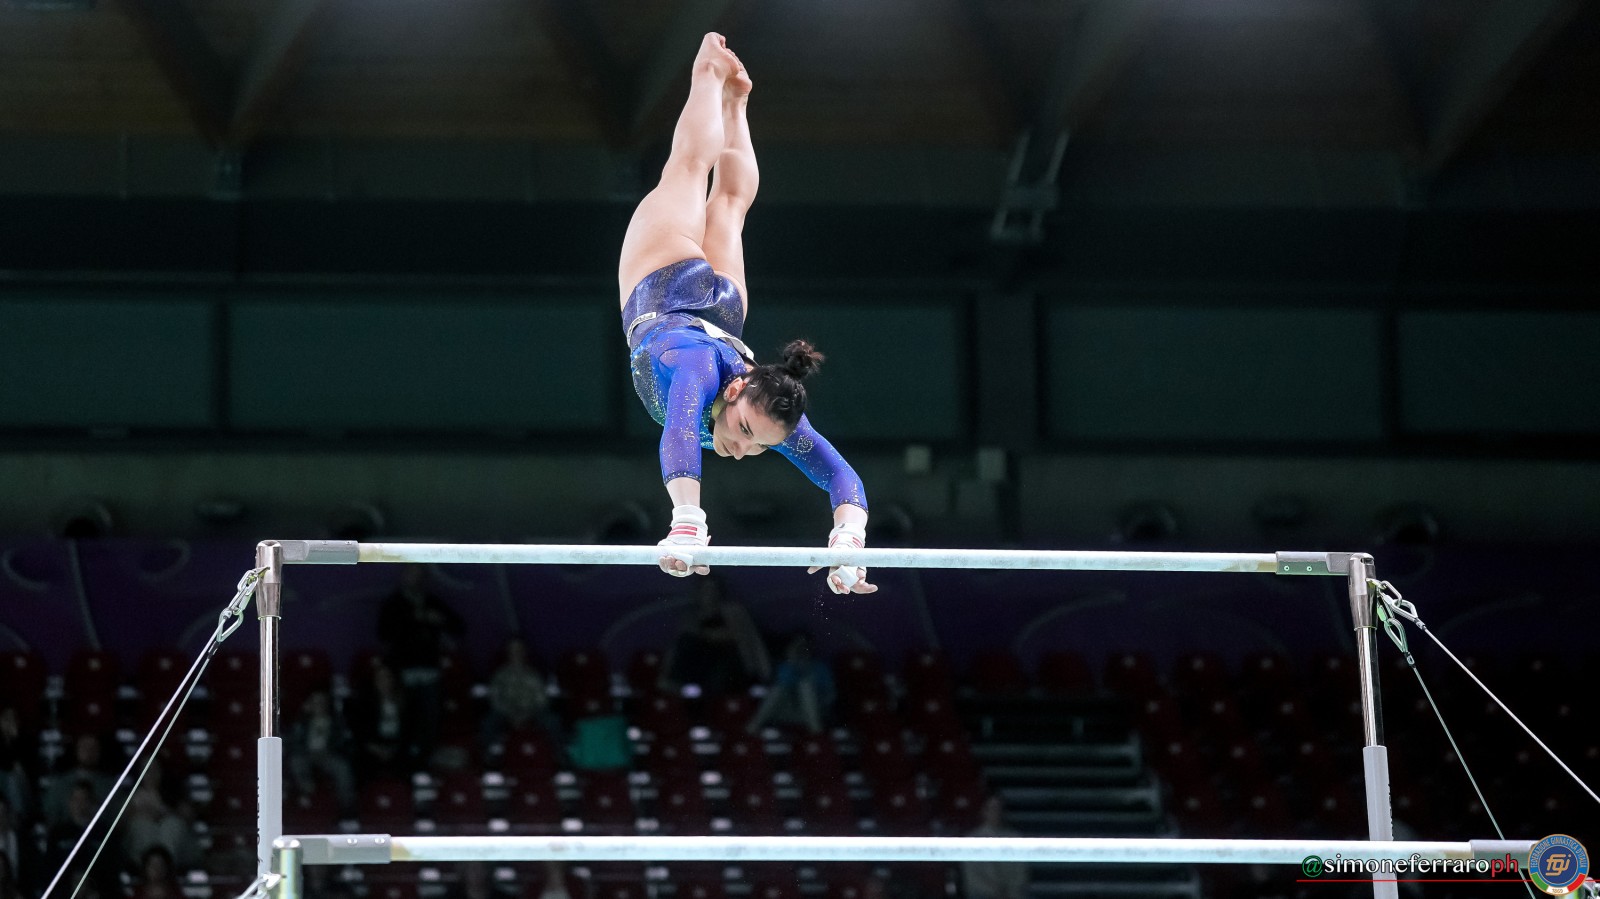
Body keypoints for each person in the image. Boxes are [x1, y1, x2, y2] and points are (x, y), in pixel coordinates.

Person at [618, 32, 876, 596]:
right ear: (736, 389)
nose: (743, 450)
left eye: (759, 445)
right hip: (663, 285)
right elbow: (680, 429)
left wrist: (848, 543)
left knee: (732, 206)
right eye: (744, 433)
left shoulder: (767, 409)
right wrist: (687, 525)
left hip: (722, 313)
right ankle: (708, 72)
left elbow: (842, 476)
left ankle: (736, 104)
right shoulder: (696, 371)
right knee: (689, 169)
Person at [376, 564, 465, 767]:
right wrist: (413, 620)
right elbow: (382, 633)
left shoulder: (432, 602)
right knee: (404, 719)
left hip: (429, 671)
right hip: (403, 671)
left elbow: (458, 627)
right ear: (404, 576)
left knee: (430, 720)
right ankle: (404, 763)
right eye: (411, 574)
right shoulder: (394, 603)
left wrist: (439, 620)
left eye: (419, 575)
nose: (414, 579)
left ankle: (425, 763)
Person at [659, 576, 769, 696]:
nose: (710, 594)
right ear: (699, 592)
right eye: (706, 589)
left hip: (731, 663)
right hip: (702, 666)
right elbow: (680, 644)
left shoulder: (734, 612)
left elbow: (745, 639)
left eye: (713, 589)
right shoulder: (691, 616)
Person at [482, 637, 563, 748]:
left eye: (519, 650)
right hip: (506, 713)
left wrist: (526, 714)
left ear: (524, 652)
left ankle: (557, 752)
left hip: (532, 713)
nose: (516, 654)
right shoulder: (499, 675)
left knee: (553, 721)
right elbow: (495, 701)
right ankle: (488, 754)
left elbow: (542, 701)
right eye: (512, 651)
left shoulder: (534, 675)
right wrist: (511, 714)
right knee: (488, 723)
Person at [286, 690, 358, 814]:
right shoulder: (303, 722)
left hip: (328, 755)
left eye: (322, 702)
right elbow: (294, 740)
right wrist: (302, 714)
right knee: (296, 761)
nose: (319, 705)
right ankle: (307, 793)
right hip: (307, 754)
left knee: (342, 768)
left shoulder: (336, 722)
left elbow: (343, 741)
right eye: (316, 702)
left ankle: (347, 809)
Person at [746, 634, 834, 734]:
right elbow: (780, 688)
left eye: (804, 646)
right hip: (788, 711)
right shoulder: (785, 667)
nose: (801, 650)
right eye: (798, 646)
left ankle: (816, 732)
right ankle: (751, 729)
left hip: (815, 711)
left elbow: (831, 695)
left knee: (805, 686)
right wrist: (794, 664)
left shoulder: (820, 668)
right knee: (778, 689)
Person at [962, 796, 1028, 899]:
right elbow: (971, 876)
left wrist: (1009, 892)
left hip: (1011, 895)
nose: (996, 812)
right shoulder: (972, 839)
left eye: (999, 808)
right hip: (982, 895)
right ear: (984, 811)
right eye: (993, 808)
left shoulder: (1015, 837)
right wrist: (994, 891)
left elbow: (1021, 872)